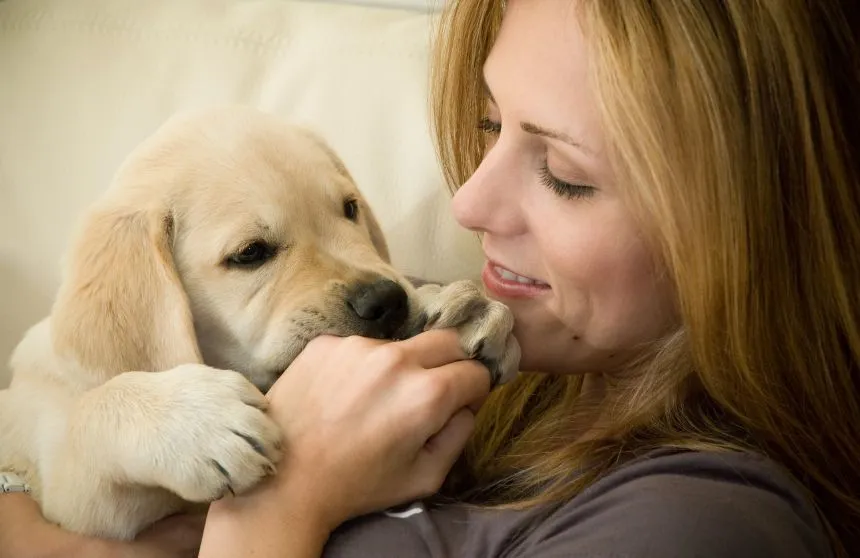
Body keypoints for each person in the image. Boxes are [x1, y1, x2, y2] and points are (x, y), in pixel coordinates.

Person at [3, 0, 858, 556]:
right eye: (489, 126)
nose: (469, 205)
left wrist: (276, 514)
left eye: (564, 171)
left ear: (747, 232)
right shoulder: (500, 355)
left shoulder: (695, 526)